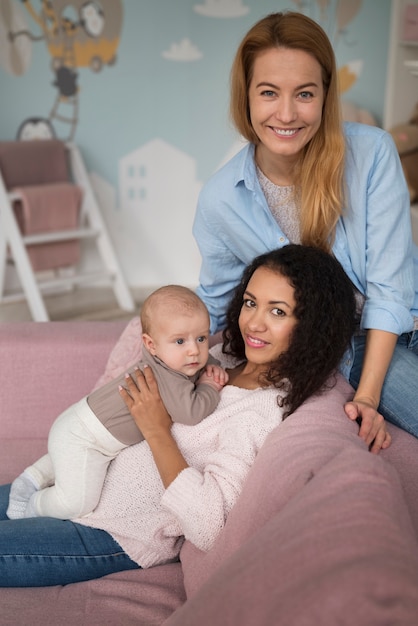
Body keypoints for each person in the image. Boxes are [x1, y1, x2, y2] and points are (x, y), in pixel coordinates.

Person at [0, 244, 356, 587]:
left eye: (277, 311)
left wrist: (157, 431)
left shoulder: (260, 410)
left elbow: (207, 523)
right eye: (251, 303)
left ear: (312, 327)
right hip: (77, 478)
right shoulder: (217, 356)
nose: (254, 324)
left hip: (114, 530)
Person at [192, 11, 418, 451]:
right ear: (247, 98)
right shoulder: (221, 199)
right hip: (349, 348)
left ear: (326, 96)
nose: (287, 114)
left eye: (305, 94)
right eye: (269, 93)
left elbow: (390, 289)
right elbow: (215, 302)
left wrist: (366, 397)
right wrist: (163, 354)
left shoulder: (372, 153)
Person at [7, 285, 228, 521]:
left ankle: (32, 478)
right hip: (86, 438)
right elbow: (191, 413)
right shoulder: (169, 376)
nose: (194, 351)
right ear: (151, 344)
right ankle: (34, 506)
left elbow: (201, 358)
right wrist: (209, 386)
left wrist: (211, 363)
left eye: (202, 338)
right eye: (180, 341)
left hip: (76, 424)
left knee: (66, 459)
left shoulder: (170, 360)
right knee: (77, 503)